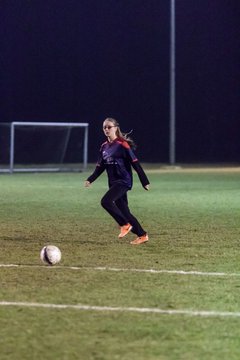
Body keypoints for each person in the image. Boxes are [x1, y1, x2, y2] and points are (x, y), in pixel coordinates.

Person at [84, 117, 150, 245]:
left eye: (109, 127)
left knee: (106, 201)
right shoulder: (104, 147)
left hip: (123, 181)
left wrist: (144, 181)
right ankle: (142, 235)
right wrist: (90, 179)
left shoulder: (122, 144)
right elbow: (100, 167)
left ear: (115, 128)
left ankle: (124, 224)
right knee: (125, 211)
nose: (107, 129)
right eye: (104, 127)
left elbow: (135, 163)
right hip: (113, 183)